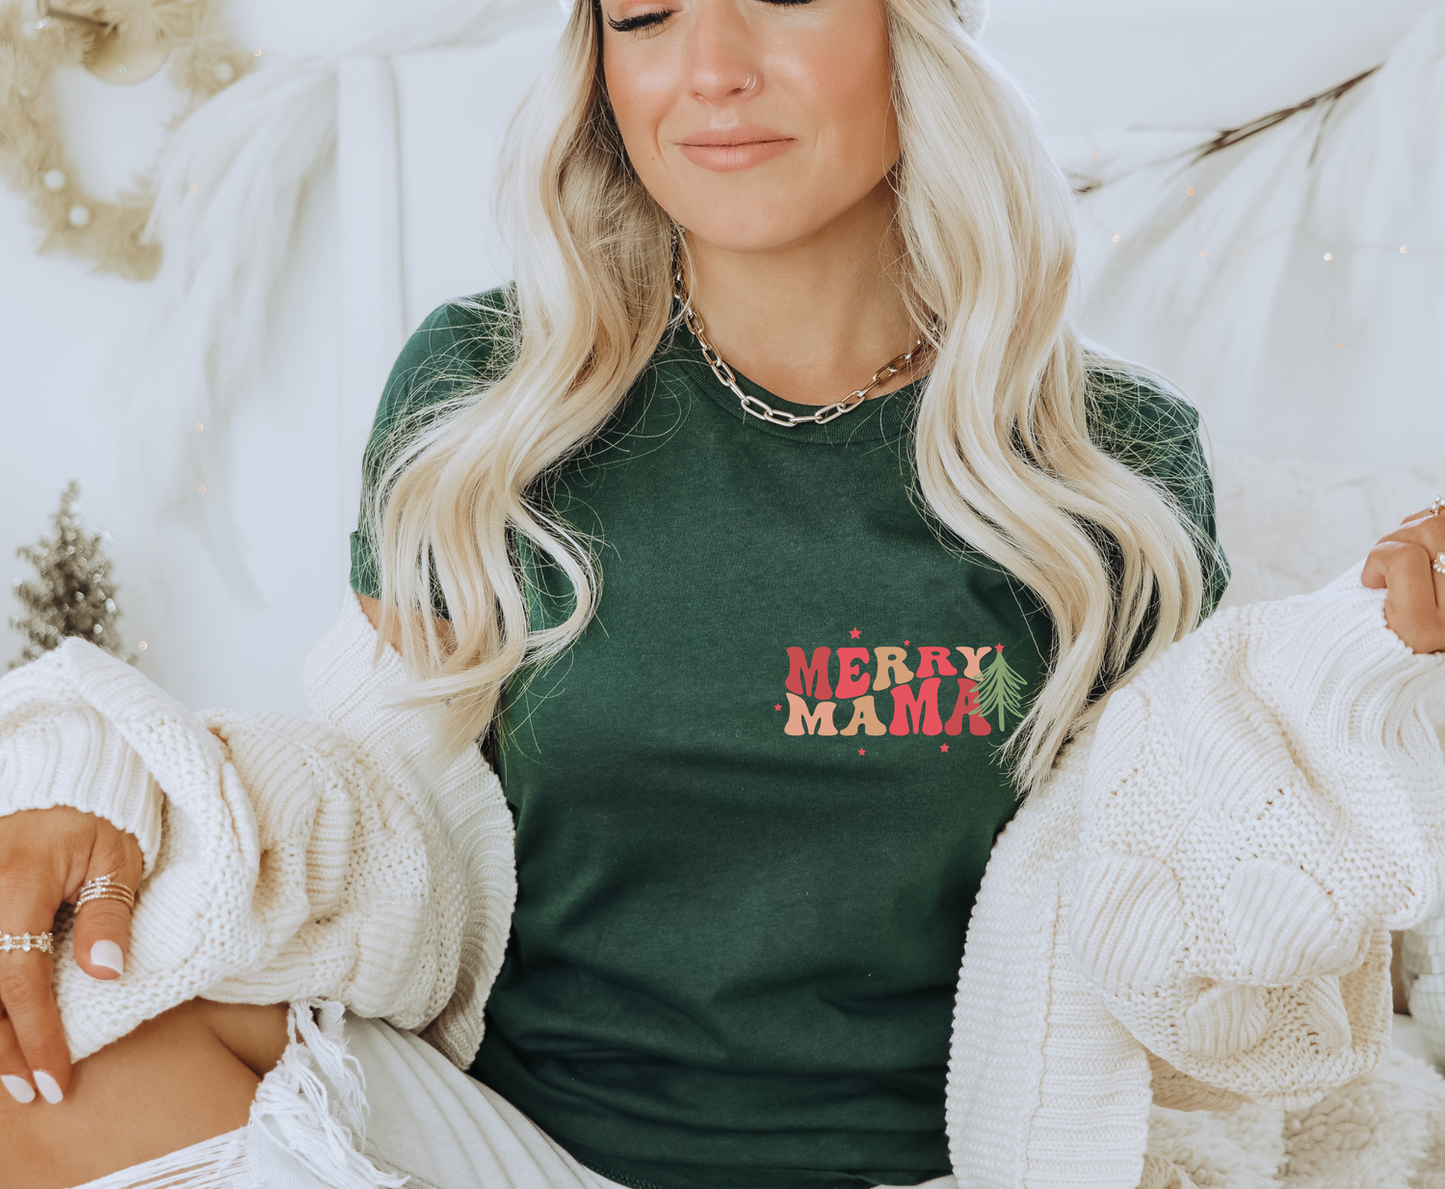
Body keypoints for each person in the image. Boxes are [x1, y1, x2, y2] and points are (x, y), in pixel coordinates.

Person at [2, 0, 1444, 1186]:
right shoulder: (486, 399)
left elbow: (1176, 879)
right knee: (44, 1055)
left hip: (932, 1166)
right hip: (504, 1150)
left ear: (917, 33)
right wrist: (118, 792)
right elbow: (373, 805)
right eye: (644, 16)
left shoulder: (1105, 465)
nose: (710, 71)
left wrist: (1364, 652)